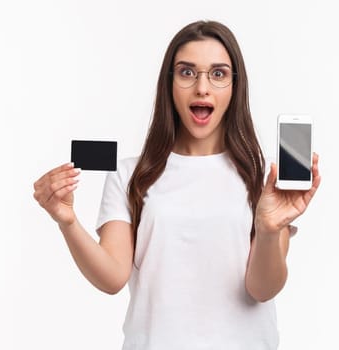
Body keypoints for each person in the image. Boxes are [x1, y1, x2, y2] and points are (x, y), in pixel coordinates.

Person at [32, 20, 321, 350]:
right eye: (187, 72)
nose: (202, 87)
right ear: (169, 84)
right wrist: (67, 221)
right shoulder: (130, 174)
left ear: (234, 87)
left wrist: (269, 228)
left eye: (218, 73)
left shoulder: (262, 178)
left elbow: (263, 289)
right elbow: (112, 277)